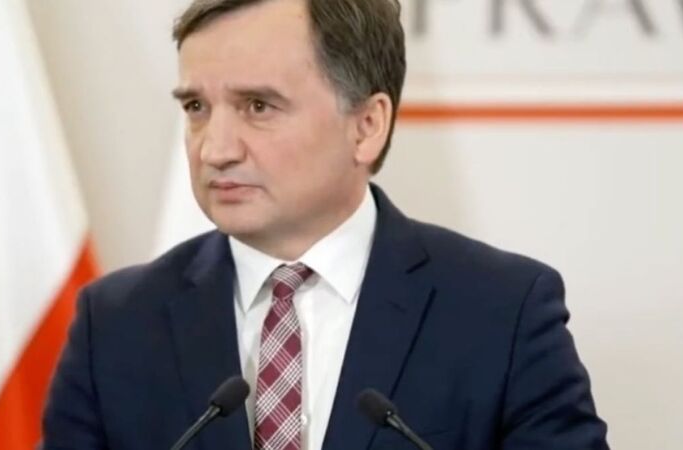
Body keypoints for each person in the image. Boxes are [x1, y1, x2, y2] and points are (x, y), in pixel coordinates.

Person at [41, 0, 609, 448]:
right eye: (196, 108)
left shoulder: (502, 313)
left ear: (366, 126)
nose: (214, 149)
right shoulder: (115, 325)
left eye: (258, 106)